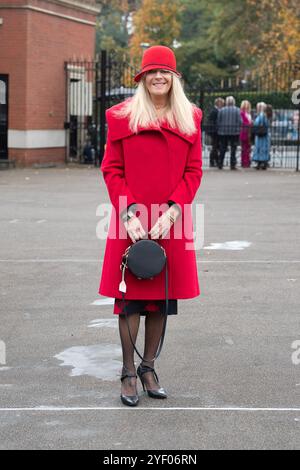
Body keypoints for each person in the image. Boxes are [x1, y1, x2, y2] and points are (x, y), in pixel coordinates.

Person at [98, 45, 203, 407]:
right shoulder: (122, 116)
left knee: (160, 300)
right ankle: (128, 372)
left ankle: (148, 367)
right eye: (152, 72)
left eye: (166, 72)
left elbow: (194, 171)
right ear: (142, 78)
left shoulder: (190, 117)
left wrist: (174, 211)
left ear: (174, 78)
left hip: (170, 219)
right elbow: (111, 169)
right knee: (129, 300)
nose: (159, 77)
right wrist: (127, 213)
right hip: (130, 219)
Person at [217, 96, 242, 170]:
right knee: (233, 149)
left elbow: (218, 121)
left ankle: (220, 163)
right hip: (234, 132)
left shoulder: (222, 110)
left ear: (226, 102)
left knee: (222, 148)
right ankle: (232, 164)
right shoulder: (237, 110)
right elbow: (240, 121)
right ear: (233, 102)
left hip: (223, 132)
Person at [207, 97, 225, 167]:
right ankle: (212, 161)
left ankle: (215, 161)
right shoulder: (215, 111)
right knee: (215, 147)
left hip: (215, 131)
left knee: (216, 147)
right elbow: (212, 122)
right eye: (222, 103)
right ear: (218, 103)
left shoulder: (215, 110)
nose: (223, 105)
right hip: (214, 132)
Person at [252, 102, 270, 170]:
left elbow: (259, 123)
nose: (257, 108)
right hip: (262, 135)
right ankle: (262, 163)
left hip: (261, 134)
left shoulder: (262, 115)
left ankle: (261, 163)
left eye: (259, 107)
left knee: (260, 149)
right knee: (262, 149)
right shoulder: (263, 115)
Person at [240, 100, 252, 168]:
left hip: (248, 132)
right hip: (244, 133)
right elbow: (243, 123)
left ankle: (247, 161)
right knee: (244, 148)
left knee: (247, 149)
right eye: (245, 105)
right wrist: (249, 124)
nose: (246, 107)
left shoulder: (248, 113)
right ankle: (244, 162)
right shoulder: (242, 113)